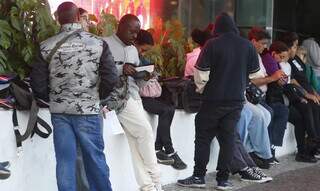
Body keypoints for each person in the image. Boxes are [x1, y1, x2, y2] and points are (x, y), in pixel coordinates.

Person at [30, 2, 117, 191]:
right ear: (78, 16)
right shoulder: (98, 43)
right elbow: (111, 77)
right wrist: (96, 97)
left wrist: (53, 98)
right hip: (88, 110)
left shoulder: (46, 46)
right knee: (95, 159)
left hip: (60, 112)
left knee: (65, 161)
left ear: (57, 18)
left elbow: (37, 82)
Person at [177, 13, 260, 190]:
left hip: (213, 100)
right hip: (236, 101)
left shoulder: (212, 44)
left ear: (217, 28)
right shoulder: (247, 45)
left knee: (203, 138)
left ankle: (199, 176)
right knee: (228, 140)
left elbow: (201, 72)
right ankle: (223, 180)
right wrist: (241, 83)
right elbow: (255, 74)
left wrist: (201, 88)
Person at [104, 14, 162, 191]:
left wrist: (145, 76)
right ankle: (156, 178)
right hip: (118, 99)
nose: (135, 36)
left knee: (135, 142)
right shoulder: (104, 44)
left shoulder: (132, 49)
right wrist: (122, 69)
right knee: (145, 132)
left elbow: (136, 81)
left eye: (137, 33)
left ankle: (147, 186)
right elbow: (98, 72)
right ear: (120, 26)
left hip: (134, 96)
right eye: (132, 31)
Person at [135, 30, 187, 170]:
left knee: (169, 108)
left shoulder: (140, 56)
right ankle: (168, 150)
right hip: (136, 96)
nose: (144, 52)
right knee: (166, 110)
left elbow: (147, 69)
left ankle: (159, 148)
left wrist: (151, 73)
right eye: (144, 49)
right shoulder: (130, 55)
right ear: (136, 43)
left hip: (143, 94)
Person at [248, 27, 289, 164]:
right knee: (268, 113)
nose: (265, 46)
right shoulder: (248, 56)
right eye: (263, 43)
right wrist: (272, 78)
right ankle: (259, 153)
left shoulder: (258, 56)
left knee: (275, 112)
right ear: (254, 41)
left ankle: (266, 151)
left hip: (261, 97)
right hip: (252, 98)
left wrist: (274, 77)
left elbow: (264, 76)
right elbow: (250, 81)